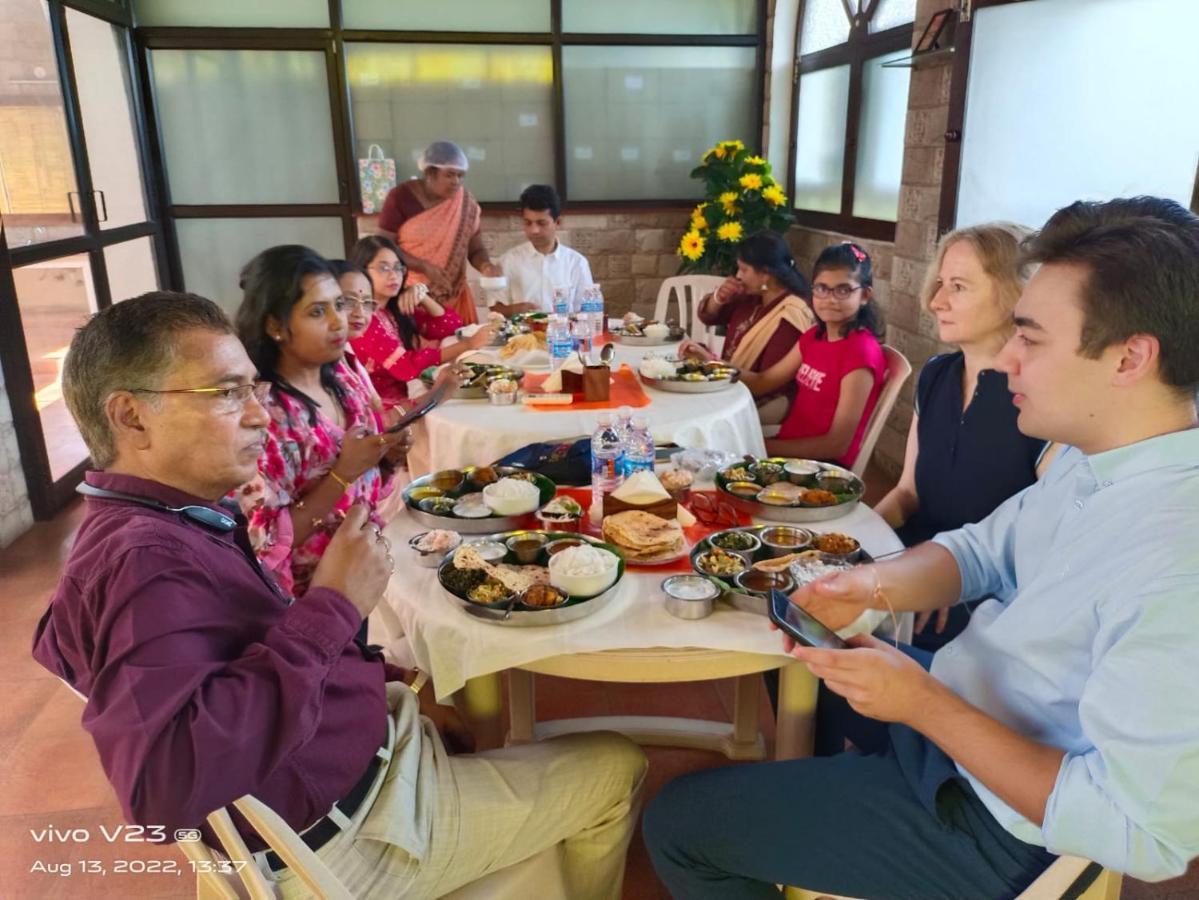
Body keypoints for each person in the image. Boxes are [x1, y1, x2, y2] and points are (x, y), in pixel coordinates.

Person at [643, 196, 1199, 898]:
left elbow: (1140, 834)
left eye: (1029, 337)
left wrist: (921, 704)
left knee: (678, 825)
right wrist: (868, 585)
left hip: (994, 823)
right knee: (782, 650)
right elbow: (977, 553)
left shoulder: (1176, 553)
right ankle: (827, 796)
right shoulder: (1096, 462)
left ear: (1130, 357)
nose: (1008, 359)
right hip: (962, 705)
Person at [32, 291, 647, 899]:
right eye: (225, 393)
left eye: (253, 389)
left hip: (358, 763)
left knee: (442, 692)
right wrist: (336, 605)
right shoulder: (144, 558)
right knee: (617, 766)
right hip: (349, 841)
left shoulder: (160, 518)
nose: (259, 416)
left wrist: (377, 683)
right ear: (130, 417)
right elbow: (162, 788)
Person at [873, 224, 1049, 650]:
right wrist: (852, 543)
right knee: (797, 605)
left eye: (958, 286)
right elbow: (908, 493)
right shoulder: (936, 374)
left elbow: (1040, 543)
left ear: (1016, 294)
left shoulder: (1043, 399)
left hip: (986, 593)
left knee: (839, 650)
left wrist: (945, 574)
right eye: (939, 284)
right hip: (913, 558)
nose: (936, 301)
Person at [233, 245, 406, 597]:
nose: (338, 321)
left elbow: (368, 485)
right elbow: (264, 543)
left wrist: (388, 454)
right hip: (306, 603)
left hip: (358, 576)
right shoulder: (262, 417)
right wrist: (343, 474)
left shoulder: (342, 376)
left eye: (338, 305)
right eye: (317, 311)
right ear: (275, 326)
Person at [765, 242, 886, 468]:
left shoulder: (860, 353)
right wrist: (711, 364)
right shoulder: (814, 337)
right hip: (788, 451)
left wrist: (762, 447)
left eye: (843, 290)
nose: (830, 298)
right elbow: (765, 381)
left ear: (865, 295)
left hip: (822, 469)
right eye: (821, 288)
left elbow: (836, 445)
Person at [680, 231, 815, 424]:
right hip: (729, 382)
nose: (737, 276)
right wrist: (719, 297)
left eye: (743, 270)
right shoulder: (752, 296)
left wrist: (710, 362)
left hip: (756, 402)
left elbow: (763, 385)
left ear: (766, 274)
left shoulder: (790, 317)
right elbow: (708, 316)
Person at [348, 235, 493, 413]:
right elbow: (406, 367)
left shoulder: (394, 309)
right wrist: (469, 344)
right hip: (381, 412)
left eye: (398, 268)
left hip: (404, 398)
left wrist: (423, 297)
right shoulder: (364, 319)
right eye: (383, 268)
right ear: (361, 271)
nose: (394, 275)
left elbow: (449, 327)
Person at [377, 140, 501, 325]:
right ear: (430, 173)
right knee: (423, 352)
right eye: (450, 175)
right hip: (412, 299)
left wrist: (485, 266)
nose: (456, 182)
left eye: (460, 176)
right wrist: (424, 267)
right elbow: (382, 247)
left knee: (463, 350)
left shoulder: (465, 203)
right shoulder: (400, 198)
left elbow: (475, 248)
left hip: (455, 296)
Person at [494, 184, 594, 316]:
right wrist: (517, 309)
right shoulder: (508, 261)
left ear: (557, 222)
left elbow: (587, 310)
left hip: (564, 334)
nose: (534, 230)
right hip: (521, 335)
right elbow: (495, 309)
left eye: (541, 223)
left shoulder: (576, 262)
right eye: (528, 223)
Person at [327, 258, 384, 415]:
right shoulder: (322, 365)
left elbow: (376, 407)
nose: (360, 313)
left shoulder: (346, 349)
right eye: (348, 301)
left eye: (366, 303)